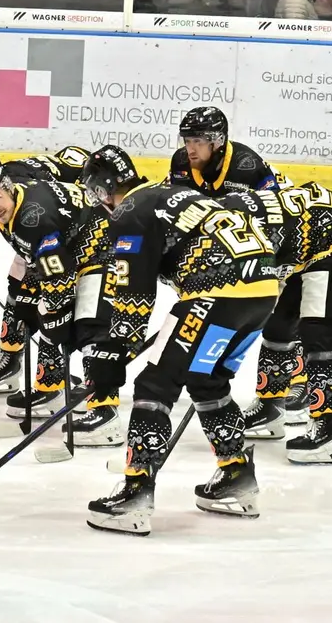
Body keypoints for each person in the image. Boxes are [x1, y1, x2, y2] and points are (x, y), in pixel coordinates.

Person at [75, 146, 283, 536]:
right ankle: (236, 476)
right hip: (264, 290)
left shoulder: (128, 212)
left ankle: (135, 493)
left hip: (218, 290)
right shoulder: (172, 193)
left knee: (155, 383)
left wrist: (112, 353)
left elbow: (134, 296)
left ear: (104, 190)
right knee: (206, 379)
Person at [0, 154, 127, 444]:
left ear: (7, 186)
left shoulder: (33, 217)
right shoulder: (11, 208)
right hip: (69, 251)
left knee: (90, 325)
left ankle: (106, 411)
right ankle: (52, 387)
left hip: (108, 250)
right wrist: (31, 301)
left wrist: (54, 317)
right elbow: (40, 259)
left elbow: (58, 282)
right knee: (31, 308)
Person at [228, 181, 332, 463]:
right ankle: (270, 409)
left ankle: (329, 429)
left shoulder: (242, 240)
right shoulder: (224, 230)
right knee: (278, 325)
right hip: (299, 243)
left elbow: (253, 297)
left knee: (318, 330)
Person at [166, 106, 282, 197]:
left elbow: (274, 209)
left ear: (219, 140)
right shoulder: (180, 161)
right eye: (187, 141)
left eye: (198, 141)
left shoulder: (249, 166)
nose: (190, 149)